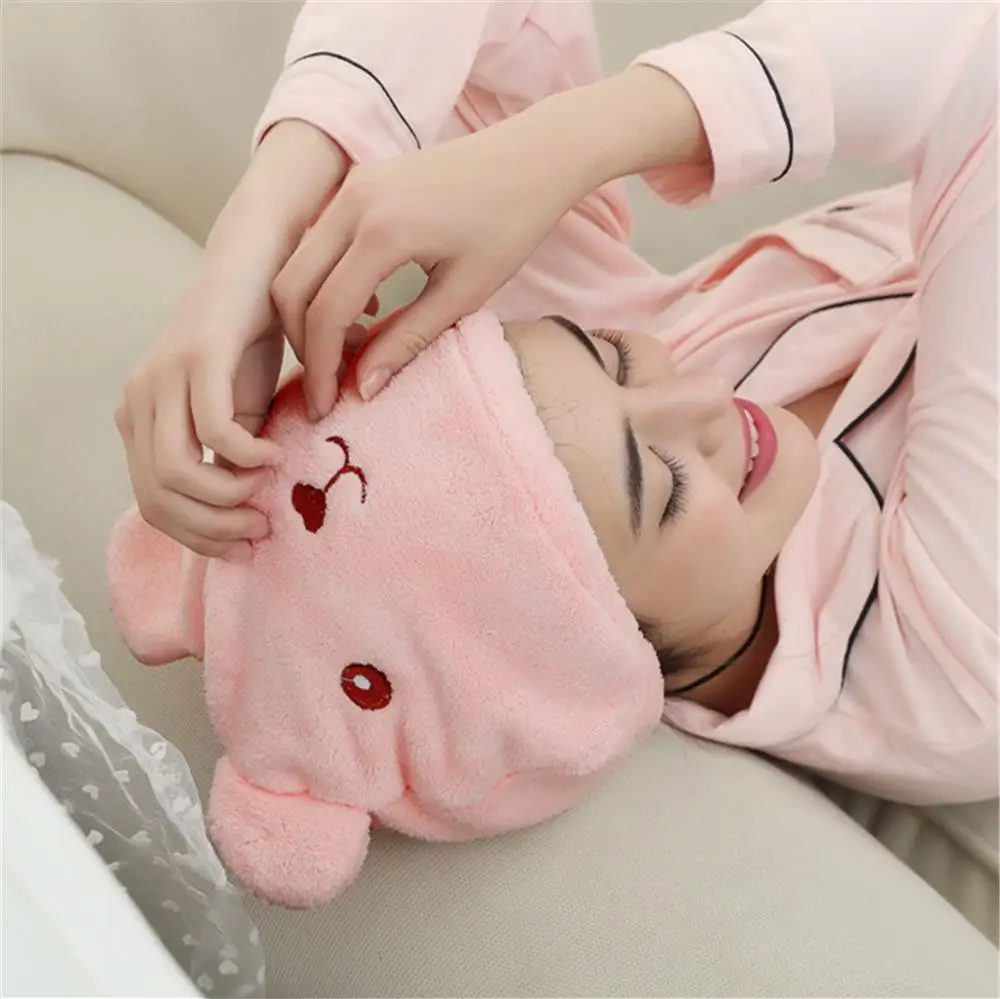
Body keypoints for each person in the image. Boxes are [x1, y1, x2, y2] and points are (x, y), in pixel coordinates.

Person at [114, 0, 997, 805]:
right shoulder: (954, 659)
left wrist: (265, 223)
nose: (704, 396)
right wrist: (575, 141)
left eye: (616, 359)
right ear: (605, 655)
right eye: (666, 488)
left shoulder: (548, 415)